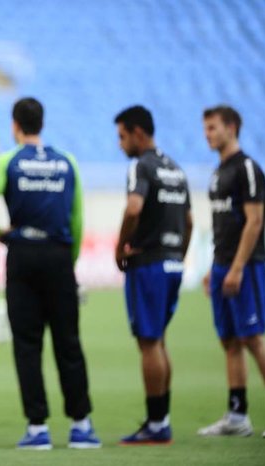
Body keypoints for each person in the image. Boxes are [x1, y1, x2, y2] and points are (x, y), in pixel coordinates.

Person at [0, 97, 100, 450]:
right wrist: (69, 261)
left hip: (23, 255)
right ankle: (81, 426)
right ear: (41, 123)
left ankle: (37, 428)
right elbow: (77, 218)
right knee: (68, 343)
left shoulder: (8, 162)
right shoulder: (67, 162)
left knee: (27, 345)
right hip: (58, 256)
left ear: (15, 125)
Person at [113, 106, 192, 444]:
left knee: (148, 342)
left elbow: (134, 208)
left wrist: (120, 246)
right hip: (173, 261)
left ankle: (157, 423)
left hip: (149, 263)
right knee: (158, 341)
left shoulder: (141, 166)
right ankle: (161, 418)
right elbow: (189, 222)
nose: (120, 144)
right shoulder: (175, 168)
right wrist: (179, 257)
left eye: (122, 136)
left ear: (138, 132)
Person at [199, 105, 265, 439]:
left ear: (232, 128)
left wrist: (238, 267)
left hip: (246, 266)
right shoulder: (218, 173)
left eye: (212, 127)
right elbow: (221, 224)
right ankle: (237, 417)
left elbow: (255, 221)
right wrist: (213, 267)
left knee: (252, 338)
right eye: (205, 128)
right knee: (229, 340)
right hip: (221, 265)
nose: (207, 134)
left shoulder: (247, 169)